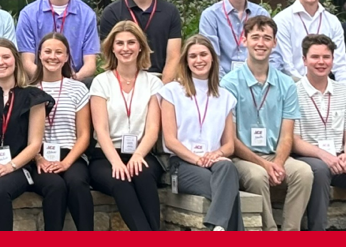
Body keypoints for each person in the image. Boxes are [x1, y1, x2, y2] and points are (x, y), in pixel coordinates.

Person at [221, 16, 312, 231]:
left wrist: (278, 163)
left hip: (275, 154)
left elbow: (287, 134)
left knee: (304, 172)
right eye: (255, 37)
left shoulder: (287, 84)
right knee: (258, 175)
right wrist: (264, 165)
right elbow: (230, 139)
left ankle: (290, 232)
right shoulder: (229, 83)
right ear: (244, 41)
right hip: (242, 157)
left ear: (275, 43)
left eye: (266, 38)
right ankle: (270, 232)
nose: (261, 43)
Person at [289, 34, 346, 231]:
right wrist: (324, 155)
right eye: (315, 57)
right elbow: (294, 140)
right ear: (304, 60)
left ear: (333, 59)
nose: (321, 62)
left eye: (326, 57)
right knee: (320, 170)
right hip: (309, 157)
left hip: (340, 157)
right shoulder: (293, 92)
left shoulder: (345, 91)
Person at [157, 36, 243, 231]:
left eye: (203, 54)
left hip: (213, 162)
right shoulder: (171, 91)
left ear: (212, 58)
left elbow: (229, 144)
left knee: (228, 169)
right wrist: (197, 159)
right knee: (228, 189)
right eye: (193, 56)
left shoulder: (225, 96)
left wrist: (217, 155)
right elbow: (170, 140)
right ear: (186, 61)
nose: (199, 60)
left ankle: (218, 228)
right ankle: (220, 228)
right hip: (183, 164)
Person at [0, 38, 53, 231]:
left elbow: (34, 144)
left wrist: (10, 165)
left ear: (16, 60)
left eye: (6, 57)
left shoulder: (33, 96)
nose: (0, 62)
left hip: (18, 165)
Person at [87, 21, 164, 231]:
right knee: (120, 181)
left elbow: (152, 129)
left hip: (141, 152)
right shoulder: (101, 82)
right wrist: (116, 162)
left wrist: (138, 155)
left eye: (131, 42)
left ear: (140, 46)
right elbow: (100, 129)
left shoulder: (153, 83)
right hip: (105, 155)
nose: (125, 48)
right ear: (112, 47)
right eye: (119, 43)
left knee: (143, 175)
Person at [31, 32, 93, 230]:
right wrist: (39, 158)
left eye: (59, 52)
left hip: (71, 154)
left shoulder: (78, 89)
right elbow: (23, 135)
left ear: (66, 57)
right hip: (37, 156)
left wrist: (66, 163)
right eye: (47, 51)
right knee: (55, 187)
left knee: (77, 184)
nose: (53, 56)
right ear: (39, 55)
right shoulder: (28, 90)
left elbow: (84, 134)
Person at [98, 0, 182, 83]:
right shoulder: (111, 13)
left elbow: (174, 57)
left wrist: (162, 91)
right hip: (123, 83)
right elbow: (109, 57)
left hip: (161, 81)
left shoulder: (170, 11)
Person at [17, 0, 99, 81]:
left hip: (75, 83)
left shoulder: (87, 15)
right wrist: (49, 82)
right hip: (39, 84)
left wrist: (71, 82)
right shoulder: (28, 14)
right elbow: (27, 62)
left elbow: (90, 64)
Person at [274, 0, 346, 85]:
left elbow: (341, 64)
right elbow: (286, 66)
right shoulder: (282, 21)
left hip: (327, 92)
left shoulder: (332, 21)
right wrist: (308, 90)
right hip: (294, 90)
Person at [199, 0, 272, 77]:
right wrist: (227, 86)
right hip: (222, 86)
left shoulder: (261, 14)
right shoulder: (211, 16)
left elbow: (272, 54)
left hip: (257, 82)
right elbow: (211, 58)